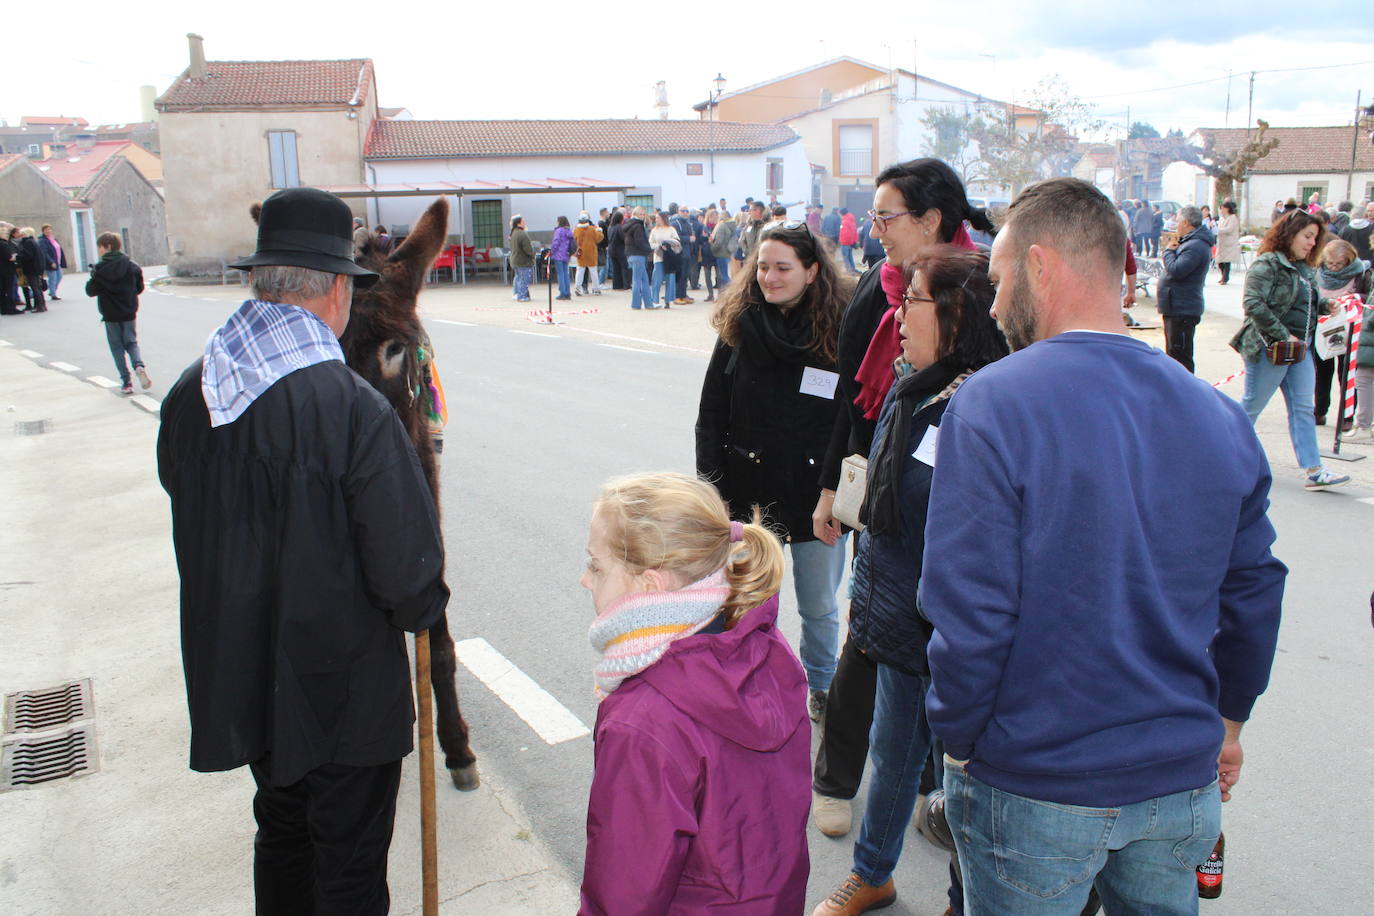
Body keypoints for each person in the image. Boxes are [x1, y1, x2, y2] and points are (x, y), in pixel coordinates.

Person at [925, 177, 1287, 915]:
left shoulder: (994, 403)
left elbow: (972, 612)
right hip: (1176, 779)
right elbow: (1254, 591)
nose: (992, 309)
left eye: (996, 283)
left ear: (1038, 266)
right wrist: (1226, 725)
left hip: (1037, 780)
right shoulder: (1218, 415)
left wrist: (958, 739)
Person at [157, 187, 448, 915]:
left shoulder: (192, 395)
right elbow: (409, 575)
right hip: (342, 696)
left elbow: (187, 503)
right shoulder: (351, 409)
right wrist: (425, 605)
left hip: (246, 674)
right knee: (348, 867)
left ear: (263, 280)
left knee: (281, 834)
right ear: (336, 292)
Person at [810, 247, 1008, 916]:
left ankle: (964, 900)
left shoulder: (985, 405)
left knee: (969, 785)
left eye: (912, 302)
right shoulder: (912, 383)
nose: (897, 316)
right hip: (897, 618)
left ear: (954, 315)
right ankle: (874, 873)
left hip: (958, 637)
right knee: (892, 760)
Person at [577, 472, 810, 914]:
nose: (585, 580)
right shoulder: (763, 647)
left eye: (596, 565)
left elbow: (624, 895)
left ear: (649, 587)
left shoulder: (642, 722)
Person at [696, 220, 853, 723]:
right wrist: (713, 493)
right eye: (762, 266)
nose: (768, 276)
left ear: (811, 271)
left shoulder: (841, 330)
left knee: (819, 608)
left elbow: (853, 422)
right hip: (749, 496)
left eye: (782, 267)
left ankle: (824, 688)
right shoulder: (739, 326)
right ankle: (743, 684)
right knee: (745, 603)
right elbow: (711, 414)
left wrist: (837, 494)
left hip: (815, 499)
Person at [1232, 208, 1351, 489]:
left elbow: (1305, 301)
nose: (1312, 243)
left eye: (1315, 238)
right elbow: (1253, 304)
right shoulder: (1267, 264)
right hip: (1269, 348)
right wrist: (1282, 335)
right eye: (1307, 236)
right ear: (1290, 234)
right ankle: (1220, 455)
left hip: (1300, 349)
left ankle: (1314, 469)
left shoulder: (1304, 267)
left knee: (1303, 408)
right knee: (1251, 407)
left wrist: (1325, 305)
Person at [1314, 238, 1371, 432]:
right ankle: (1320, 410)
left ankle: (1347, 416)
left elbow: (1367, 297)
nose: (1334, 268)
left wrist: (1352, 299)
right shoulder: (1318, 272)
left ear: (1348, 260)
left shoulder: (1361, 273)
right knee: (1322, 372)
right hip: (1322, 329)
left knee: (1347, 374)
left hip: (1349, 331)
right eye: (1330, 263)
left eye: (1339, 264)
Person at [86, 232, 148, 394]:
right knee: (131, 342)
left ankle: (126, 382)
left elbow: (90, 291)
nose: (99, 250)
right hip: (129, 311)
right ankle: (139, 366)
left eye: (100, 247)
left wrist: (93, 276)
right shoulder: (131, 265)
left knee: (117, 347)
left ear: (107, 246)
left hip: (110, 314)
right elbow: (139, 288)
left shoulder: (100, 269)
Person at [1157, 205, 1214, 373]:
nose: (1176, 225)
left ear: (1187, 223)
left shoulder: (1196, 245)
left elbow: (1177, 270)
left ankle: (1185, 395)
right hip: (1175, 306)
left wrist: (1167, 252)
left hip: (1183, 309)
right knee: (1174, 355)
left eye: (1179, 221)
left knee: (1180, 358)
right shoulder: (1189, 242)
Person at [649, 211, 682, 309]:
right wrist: (659, 246)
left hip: (670, 258)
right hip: (658, 257)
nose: (656, 220)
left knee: (670, 279)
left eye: (657, 218)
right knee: (656, 279)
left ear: (663, 218)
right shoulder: (654, 230)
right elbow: (650, 243)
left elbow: (677, 242)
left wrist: (668, 245)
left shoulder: (671, 229)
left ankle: (668, 300)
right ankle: (654, 300)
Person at [623, 206, 653, 309]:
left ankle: (648, 303)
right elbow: (639, 241)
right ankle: (636, 304)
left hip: (631, 254)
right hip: (638, 255)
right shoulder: (638, 226)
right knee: (637, 280)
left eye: (644, 214)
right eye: (641, 214)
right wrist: (649, 249)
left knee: (644, 280)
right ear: (635, 215)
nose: (643, 216)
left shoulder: (629, 225)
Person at [572, 211, 603, 296]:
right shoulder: (592, 229)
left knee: (580, 272)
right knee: (593, 272)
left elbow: (573, 240)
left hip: (581, 254)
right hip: (591, 253)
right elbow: (599, 238)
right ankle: (596, 289)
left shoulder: (576, 230)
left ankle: (577, 288)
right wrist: (600, 231)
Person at [16, 228, 47, 312]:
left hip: (31, 268)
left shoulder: (28, 242)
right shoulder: (33, 241)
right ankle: (42, 305)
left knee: (35, 287)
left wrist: (17, 256)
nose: (21, 236)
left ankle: (40, 306)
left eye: (22, 234)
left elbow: (28, 255)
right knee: (37, 287)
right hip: (36, 267)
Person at [509, 215, 536, 302]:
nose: (525, 223)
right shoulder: (522, 234)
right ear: (518, 224)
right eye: (523, 222)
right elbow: (528, 249)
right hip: (523, 261)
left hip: (515, 260)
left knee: (518, 278)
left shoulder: (513, 233)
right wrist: (532, 255)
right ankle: (522, 296)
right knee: (524, 279)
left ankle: (516, 293)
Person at [1215, 200, 1241, 285]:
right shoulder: (1222, 218)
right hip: (1221, 242)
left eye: (1223, 208)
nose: (1221, 210)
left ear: (1227, 209)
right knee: (1220, 261)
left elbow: (1230, 229)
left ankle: (1225, 278)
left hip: (1229, 242)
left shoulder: (1232, 217)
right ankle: (1223, 276)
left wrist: (1218, 230)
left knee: (1226, 261)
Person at [710, 207, 736, 289]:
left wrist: (712, 248)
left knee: (724, 276)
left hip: (721, 253)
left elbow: (719, 242)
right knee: (725, 274)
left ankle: (729, 292)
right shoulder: (733, 225)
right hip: (728, 252)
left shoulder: (722, 226)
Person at [38, 224, 66, 300]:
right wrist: (51, 262)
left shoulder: (53, 239)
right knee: (53, 278)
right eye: (46, 230)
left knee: (59, 276)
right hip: (50, 263)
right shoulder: (42, 240)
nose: (48, 231)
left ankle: (52, 290)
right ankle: (53, 294)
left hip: (57, 262)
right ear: (43, 231)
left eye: (49, 229)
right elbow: (44, 252)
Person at [551, 215, 575, 300]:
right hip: (566, 254)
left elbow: (556, 242)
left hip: (558, 255)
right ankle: (568, 293)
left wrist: (552, 251)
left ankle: (562, 293)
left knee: (560, 274)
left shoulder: (559, 231)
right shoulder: (568, 231)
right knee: (566, 274)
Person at [606, 210, 628, 291]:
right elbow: (623, 238)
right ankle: (626, 285)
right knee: (624, 266)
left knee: (615, 268)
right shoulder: (619, 227)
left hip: (611, 249)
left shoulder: (610, 227)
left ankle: (616, 285)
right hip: (619, 249)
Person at [0, 222, 17, 315]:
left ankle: (3, 309)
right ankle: (11, 308)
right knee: (9, 289)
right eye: (6, 233)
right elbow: (9, 257)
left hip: (2, 270)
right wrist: (14, 256)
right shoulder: (4, 244)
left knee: (2, 290)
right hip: (7, 270)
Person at [838, 208, 858, 273]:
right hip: (850, 243)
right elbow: (854, 232)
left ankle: (849, 271)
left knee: (845, 258)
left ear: (841, 214)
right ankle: (852, 269)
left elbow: (845, 234)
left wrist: (842, 241)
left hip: (845, 243)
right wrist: (854, 241)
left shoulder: (845, 221)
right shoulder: (851, 220)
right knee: (850, 257)